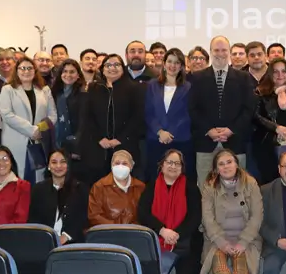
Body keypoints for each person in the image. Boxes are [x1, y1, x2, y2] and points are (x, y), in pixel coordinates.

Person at [198, 149, 263, 274]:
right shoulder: (210, 186)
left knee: (241, 267)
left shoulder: (250, 183)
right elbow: (207, 219)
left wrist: (243, 242)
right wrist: (221, 242)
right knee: (218, 265)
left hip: (246, 240)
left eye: (229, 162)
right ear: (216, 170)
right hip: (216, 240)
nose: (226, 166)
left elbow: (257, 216)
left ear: (237, 164)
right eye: (221, 164)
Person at [138, 149, 202, 274]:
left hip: (184, 240)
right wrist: (162, 230)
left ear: (182, 167)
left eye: (177, 163)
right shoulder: (151, 187)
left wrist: (176, 234)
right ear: (161, 165)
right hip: (157, 239)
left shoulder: (191, 188)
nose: (173, 166)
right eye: (169, 162)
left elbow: (195, 217)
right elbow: (143, 213)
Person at [188, 36, 256, 184]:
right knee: (206, 188)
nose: (220, 53)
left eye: (224, 50)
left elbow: (249, 108)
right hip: (205, 142)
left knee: (237, 186)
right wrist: (208, 130)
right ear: (211, 52)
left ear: (229, 52)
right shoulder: (197, 78)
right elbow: (193, 108)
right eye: (216, 50)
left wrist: (231, 129)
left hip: (234, 141)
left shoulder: (244, 78)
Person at [82, 54, 143, 184]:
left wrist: (120, 139)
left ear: (123, 67)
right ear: (102, 69)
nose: (112, 68)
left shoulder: (134, 88)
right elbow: (87, 117)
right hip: (98, 147)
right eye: (108, 65)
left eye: (116, 65)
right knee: (99, 185)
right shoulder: (94, 88)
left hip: (124, 145)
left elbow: (137, 117)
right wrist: (99, 138)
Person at [0, 56, 57, 182]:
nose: (26, 71)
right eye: (22, 68)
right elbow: (7, 114)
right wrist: (31, 130)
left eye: (30, 68)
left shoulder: (44, 90)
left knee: (38, 180)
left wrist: (39, 129)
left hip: (38, 142)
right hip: (15, 142)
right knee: (15, 179)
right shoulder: (8, 90)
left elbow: (52, 116)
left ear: (35, 71)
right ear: (16, 71)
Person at [145, 48, 193, 182]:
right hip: (156, 139)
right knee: (155, 180)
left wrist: (170, 133)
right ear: (164, 63)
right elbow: (148, 113)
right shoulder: (152, 85)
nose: (173, 65)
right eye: (170, 61)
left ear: (182, 66)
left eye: (177, 62)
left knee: (179, 180)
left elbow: (188, 114)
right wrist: (160, 132)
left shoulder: (188, 87)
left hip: (180, 140)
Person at [28, 149, 89, 244]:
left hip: (72, 242)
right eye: (54, 162)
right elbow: (33, 219)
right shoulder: (38, 189)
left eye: (63, 162)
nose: (58, 166)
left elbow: (83, 218)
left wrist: (67, 236)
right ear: (48, 166)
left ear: (68, 165)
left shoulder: (80, 188)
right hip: (44, 241)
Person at [88, 150, 145, 228]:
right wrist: (116, 228)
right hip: (108, 232)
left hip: (135, 232)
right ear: (111, 166)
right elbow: (94, 216)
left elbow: (145, 215)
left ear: (131, 166)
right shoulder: (99, 186)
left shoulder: (140, 187)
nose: (120, 166)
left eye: (125, 163)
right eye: (117, 163)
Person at [51, 59, 87, 159]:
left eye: (72, 72)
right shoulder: (54, 92)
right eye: (65, 71)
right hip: (56, 141)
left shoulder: (83, 93)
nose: (68, 75)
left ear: (78, 75)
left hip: (75, 143)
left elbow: (83, 122)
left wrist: (77, 146)